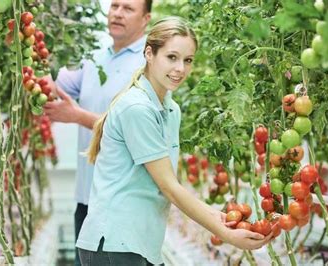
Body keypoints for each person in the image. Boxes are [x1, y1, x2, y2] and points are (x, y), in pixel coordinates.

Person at [75, 17, 273, 266]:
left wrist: (221, 218)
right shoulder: (137, 108)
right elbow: (169, 187)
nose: (180, 68)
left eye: (187, 60)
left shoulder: (170, 109)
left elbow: (167, 186)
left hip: (140, 241)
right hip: (115, 243)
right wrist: (225, 233)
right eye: (171, 57)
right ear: (149, 53)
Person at [43, 1, 152, 265]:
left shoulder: (149, 64)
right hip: (87, 200)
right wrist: (34, 45)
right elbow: (54, 86)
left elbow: (137, 134)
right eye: (114, 5)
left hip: (125, 205)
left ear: (146, 19)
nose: (117, 12)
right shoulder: (95, 57)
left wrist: (78, 117)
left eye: (128, 8)